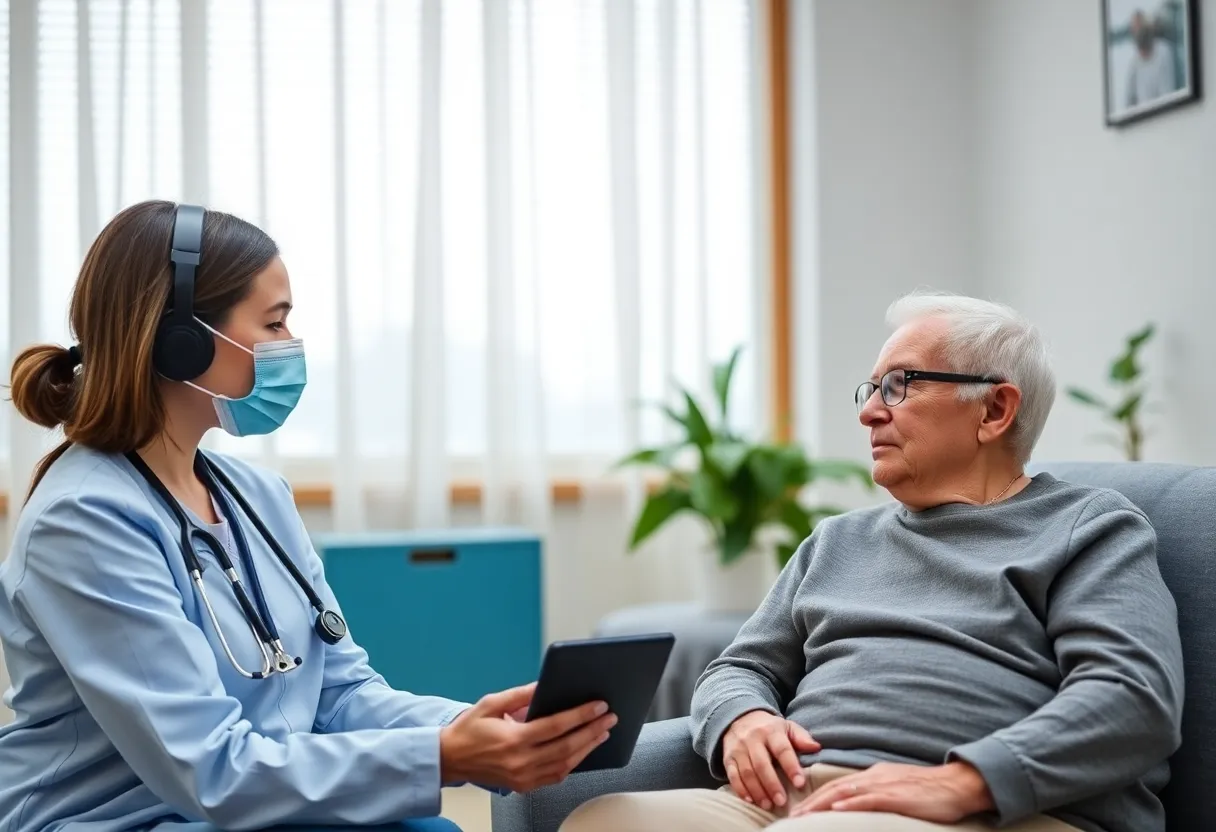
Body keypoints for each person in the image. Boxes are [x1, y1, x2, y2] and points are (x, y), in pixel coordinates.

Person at [0, 200, 617, 832]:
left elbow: (339, 693)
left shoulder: (255, 496)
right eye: (273, 323)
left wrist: (467, 729)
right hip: (118, 819)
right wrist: (439, 756)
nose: (291, 346)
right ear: (178, 342)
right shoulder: (84, 521)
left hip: (245, 804)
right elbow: (208, 768)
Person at [561, 290, 1184, 832]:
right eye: (871, 388)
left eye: (901, 385)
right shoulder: (837, 540)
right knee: (602, 820)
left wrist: (965, 783)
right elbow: (740, 666)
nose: (868, 411)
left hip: (999, 810)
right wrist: (742, 718)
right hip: (794, 800)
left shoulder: (1090, 528)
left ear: (994, 410)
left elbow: (1132, 698)